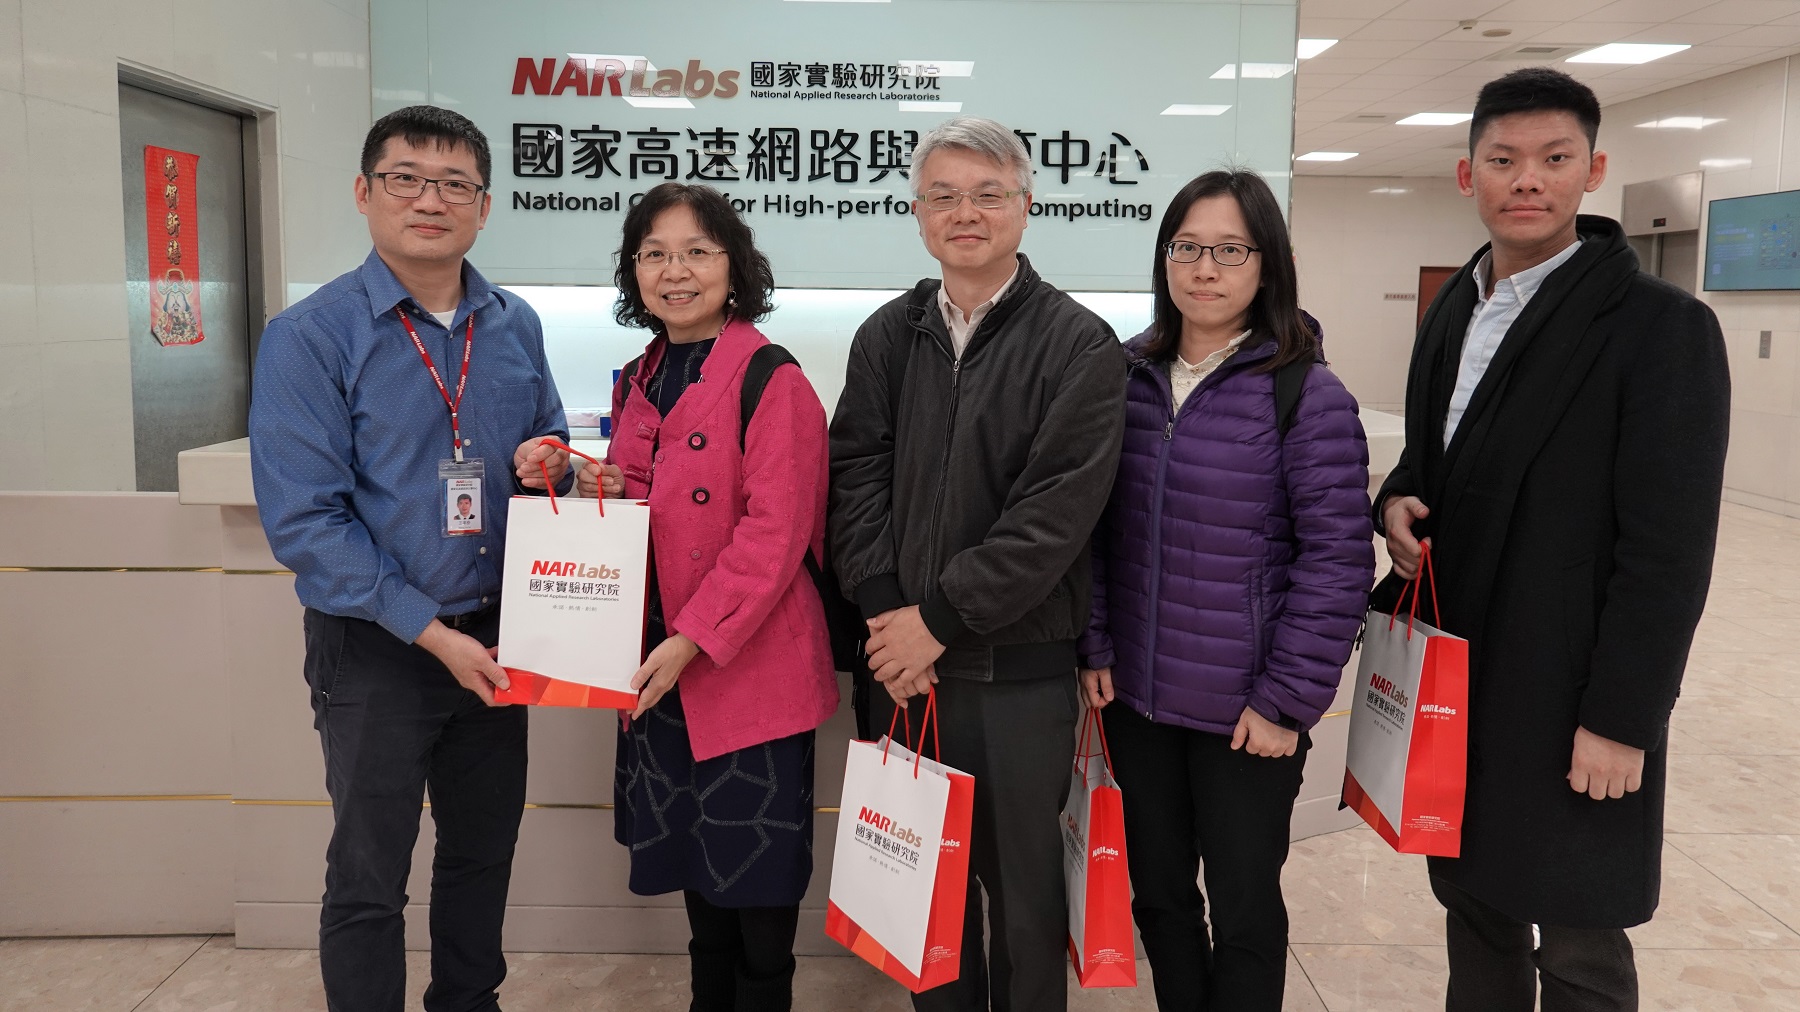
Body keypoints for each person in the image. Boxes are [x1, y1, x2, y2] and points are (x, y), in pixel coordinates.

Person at [1375, 68, 1730, 1011]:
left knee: (1578, 931)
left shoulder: (1661, 329)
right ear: (1469, 174)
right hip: (1468, 670)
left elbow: (1669, 549)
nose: (1526, 179)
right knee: (1475, 902)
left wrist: (1624, 716)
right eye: (1503, 160)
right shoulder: (1459, 304)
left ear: (1593, 170)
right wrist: (1398, 500)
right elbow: (1438, 452)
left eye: (1553, 159)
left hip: (1571, 686)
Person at [249, 105, 573, 1011]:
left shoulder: (513, 324)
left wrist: (547, 462)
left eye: (455, 184)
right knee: (369, 871)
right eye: (406, 178)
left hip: (500, 639)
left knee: (481, 855)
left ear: (485, 204)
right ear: (365, 192)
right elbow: (307, 525)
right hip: (377, 647)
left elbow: (543, 437)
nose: (430, 200)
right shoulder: (309, 335)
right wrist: (429, 634)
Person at [828, 115, 1127, 1012]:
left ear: (1026, 208)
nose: (968, 213)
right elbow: (854, 477)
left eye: (989, 195)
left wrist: (937, 623)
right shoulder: (890, 333)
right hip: (899, 668)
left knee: (1027, 901)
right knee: (926, 892)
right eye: (946, 196)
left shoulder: (1079, 342)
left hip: (1018, 674)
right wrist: (889, 616)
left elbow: (1055, 517)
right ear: (918, 211)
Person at [1079, 170, 1374, 1012]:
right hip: (1137, 698)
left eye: (1230, 249)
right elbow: (1096, 532)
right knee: (1161, 897)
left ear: (1267, 264)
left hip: (1247, 714)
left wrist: (1286, 702)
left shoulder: (1306, 394)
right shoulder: (1124, 379)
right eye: (1187, 247)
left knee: (1245, 909)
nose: (1205, 268)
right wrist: (1096, 641)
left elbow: (1338, 562)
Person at [573, 181, 838, 1012]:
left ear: (735, 267)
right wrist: (600, 483)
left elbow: (775, 534)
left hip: (744, 667)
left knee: (755, 880)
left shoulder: (772, 377)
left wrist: (689, 639)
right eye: (654, 254)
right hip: (658, 669)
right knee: (697, 871)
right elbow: (653, 498)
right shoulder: (641, 373)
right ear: (633, 272)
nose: (674, 271)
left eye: (696, 252)